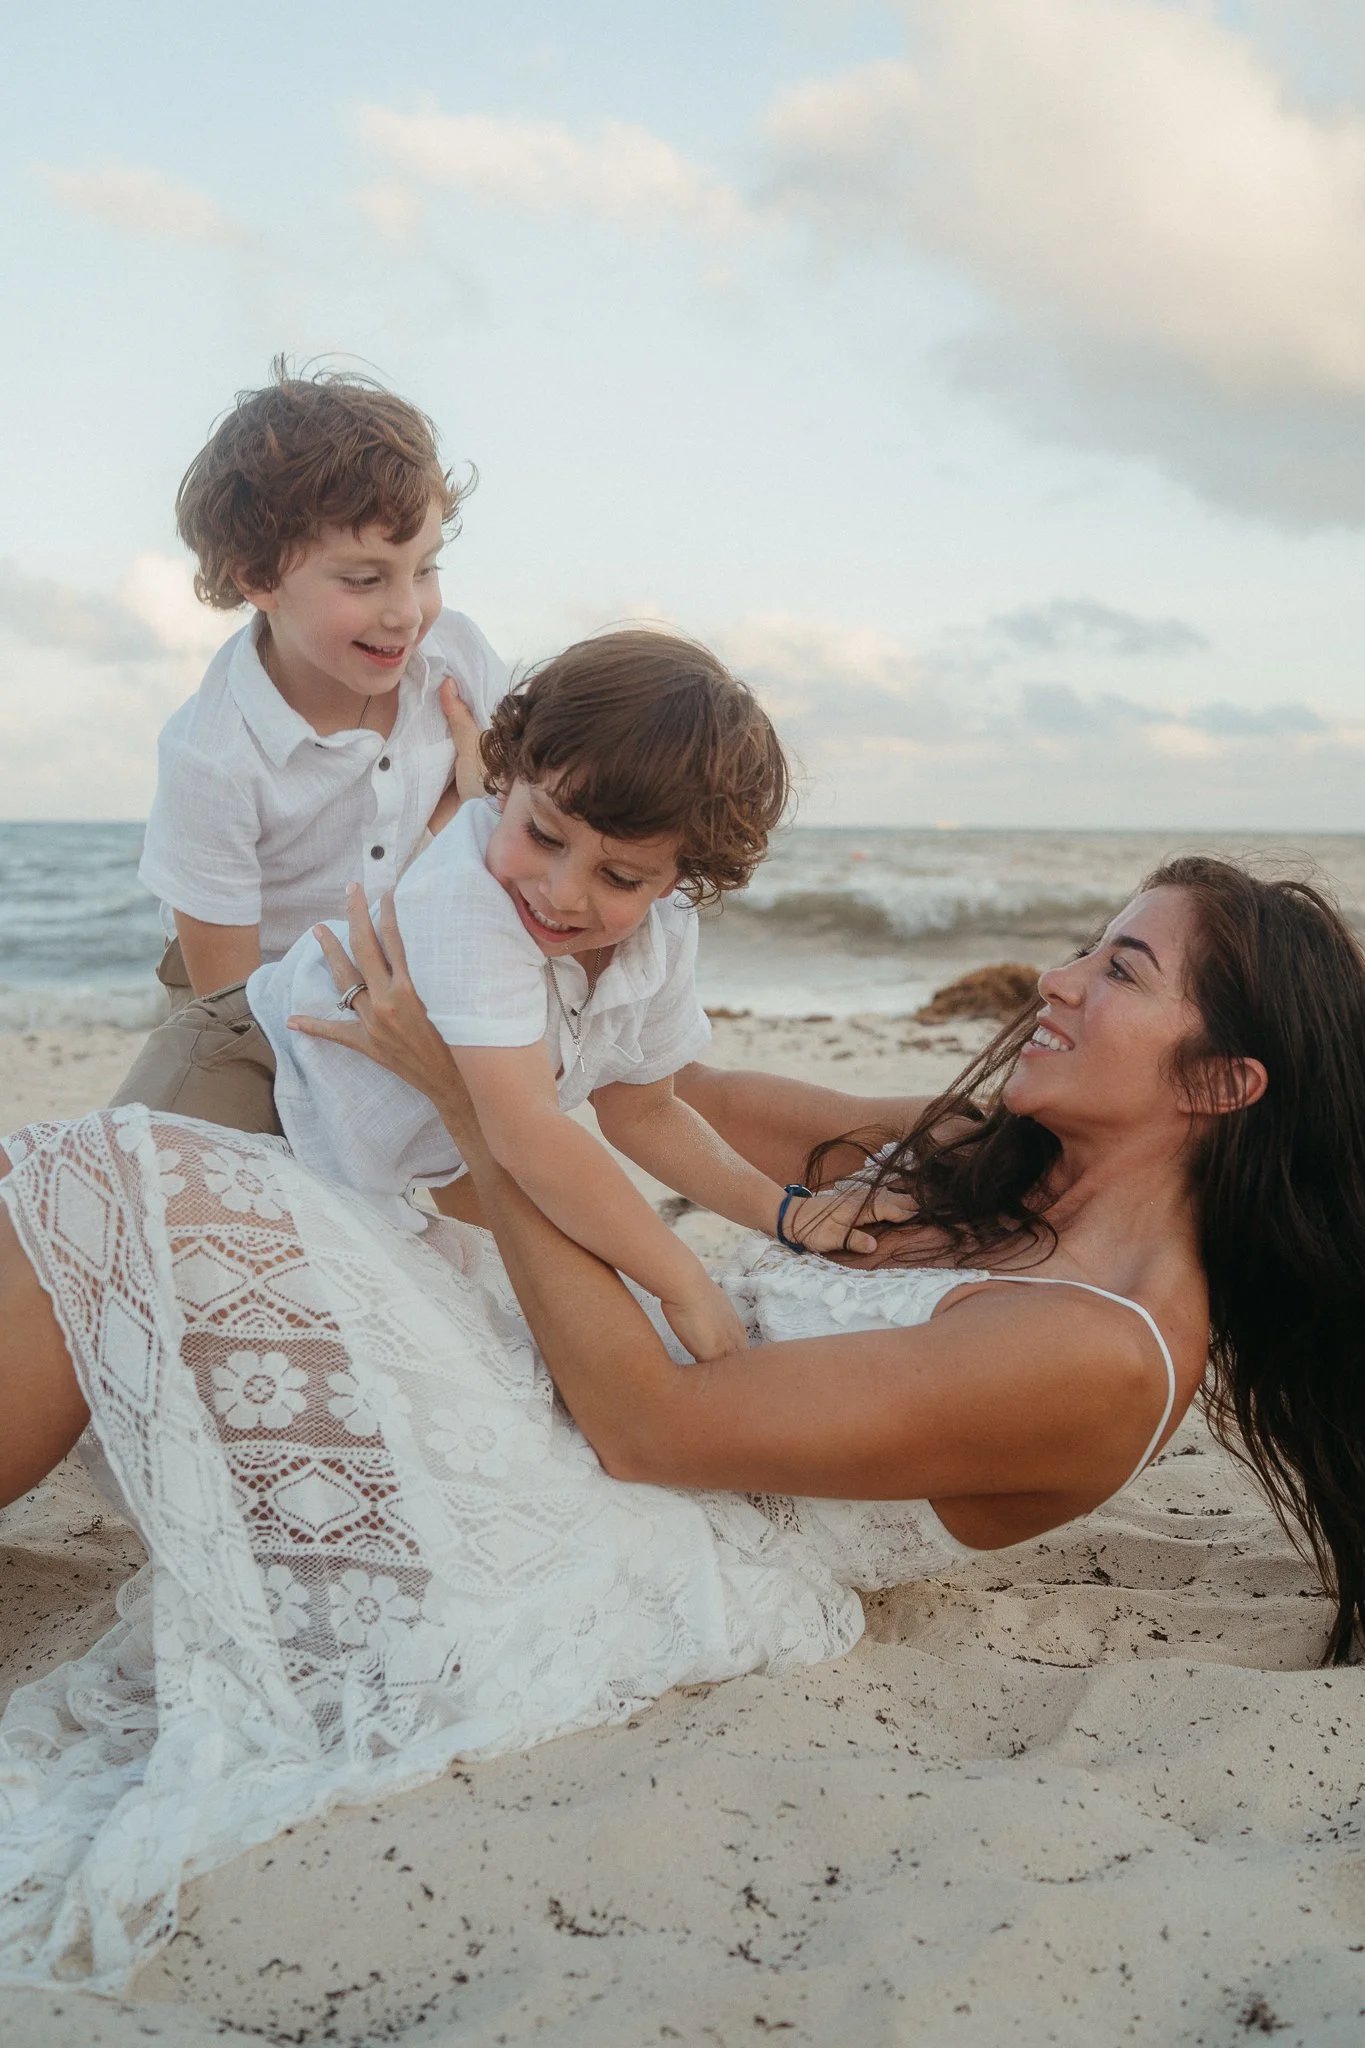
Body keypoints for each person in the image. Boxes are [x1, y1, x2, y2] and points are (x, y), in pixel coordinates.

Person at [3, 856, 1364, 1990]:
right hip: (571, 1383)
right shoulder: (996, 1166)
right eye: (1085, 946)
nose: (1056, 980)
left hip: (616, 1515)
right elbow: (668, 1095)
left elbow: (648, 1428)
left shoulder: (1100, 1353)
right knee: (167, 1185)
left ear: (1219, 1085)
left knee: (120, 1176)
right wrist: (562, 931)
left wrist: (486, 1118)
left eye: (1120, 970)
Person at [114, 630, 904, 1360]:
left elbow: (646, 1110)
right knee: (114, 1283)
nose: (561, 893)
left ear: (681, 879)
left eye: (620, 877)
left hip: (359, 1156)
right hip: (244, 1071)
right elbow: (525, 1132)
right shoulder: (467, 897)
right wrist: (682, 1279)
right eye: (543, 834)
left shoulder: (660, 935)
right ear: (507, 779)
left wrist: (785, 1210)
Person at [128, 360, 505, 1017]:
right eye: (364, 579)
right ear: (258, 578)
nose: (407, 613)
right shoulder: (213, 759)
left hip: (410, 958)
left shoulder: (456, 657)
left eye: (424, 569)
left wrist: (474, 800)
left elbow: (537, 805)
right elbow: (226, 1010)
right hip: (250, 992)